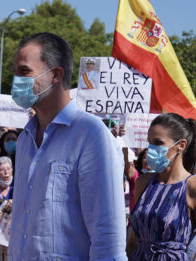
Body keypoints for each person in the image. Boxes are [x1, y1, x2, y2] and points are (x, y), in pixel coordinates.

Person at [8, 32, 126, 260]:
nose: (16, 80)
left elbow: (107, 236)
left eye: (24, 71)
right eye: (15, 72)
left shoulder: (91, 135)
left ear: (55, 74)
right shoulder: (24, 138)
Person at [127, 113, 196, 260]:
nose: (152, 148)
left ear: (181, 145)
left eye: (158, 143)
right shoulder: (143, 182)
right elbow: (133, 242)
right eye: (149, 142)